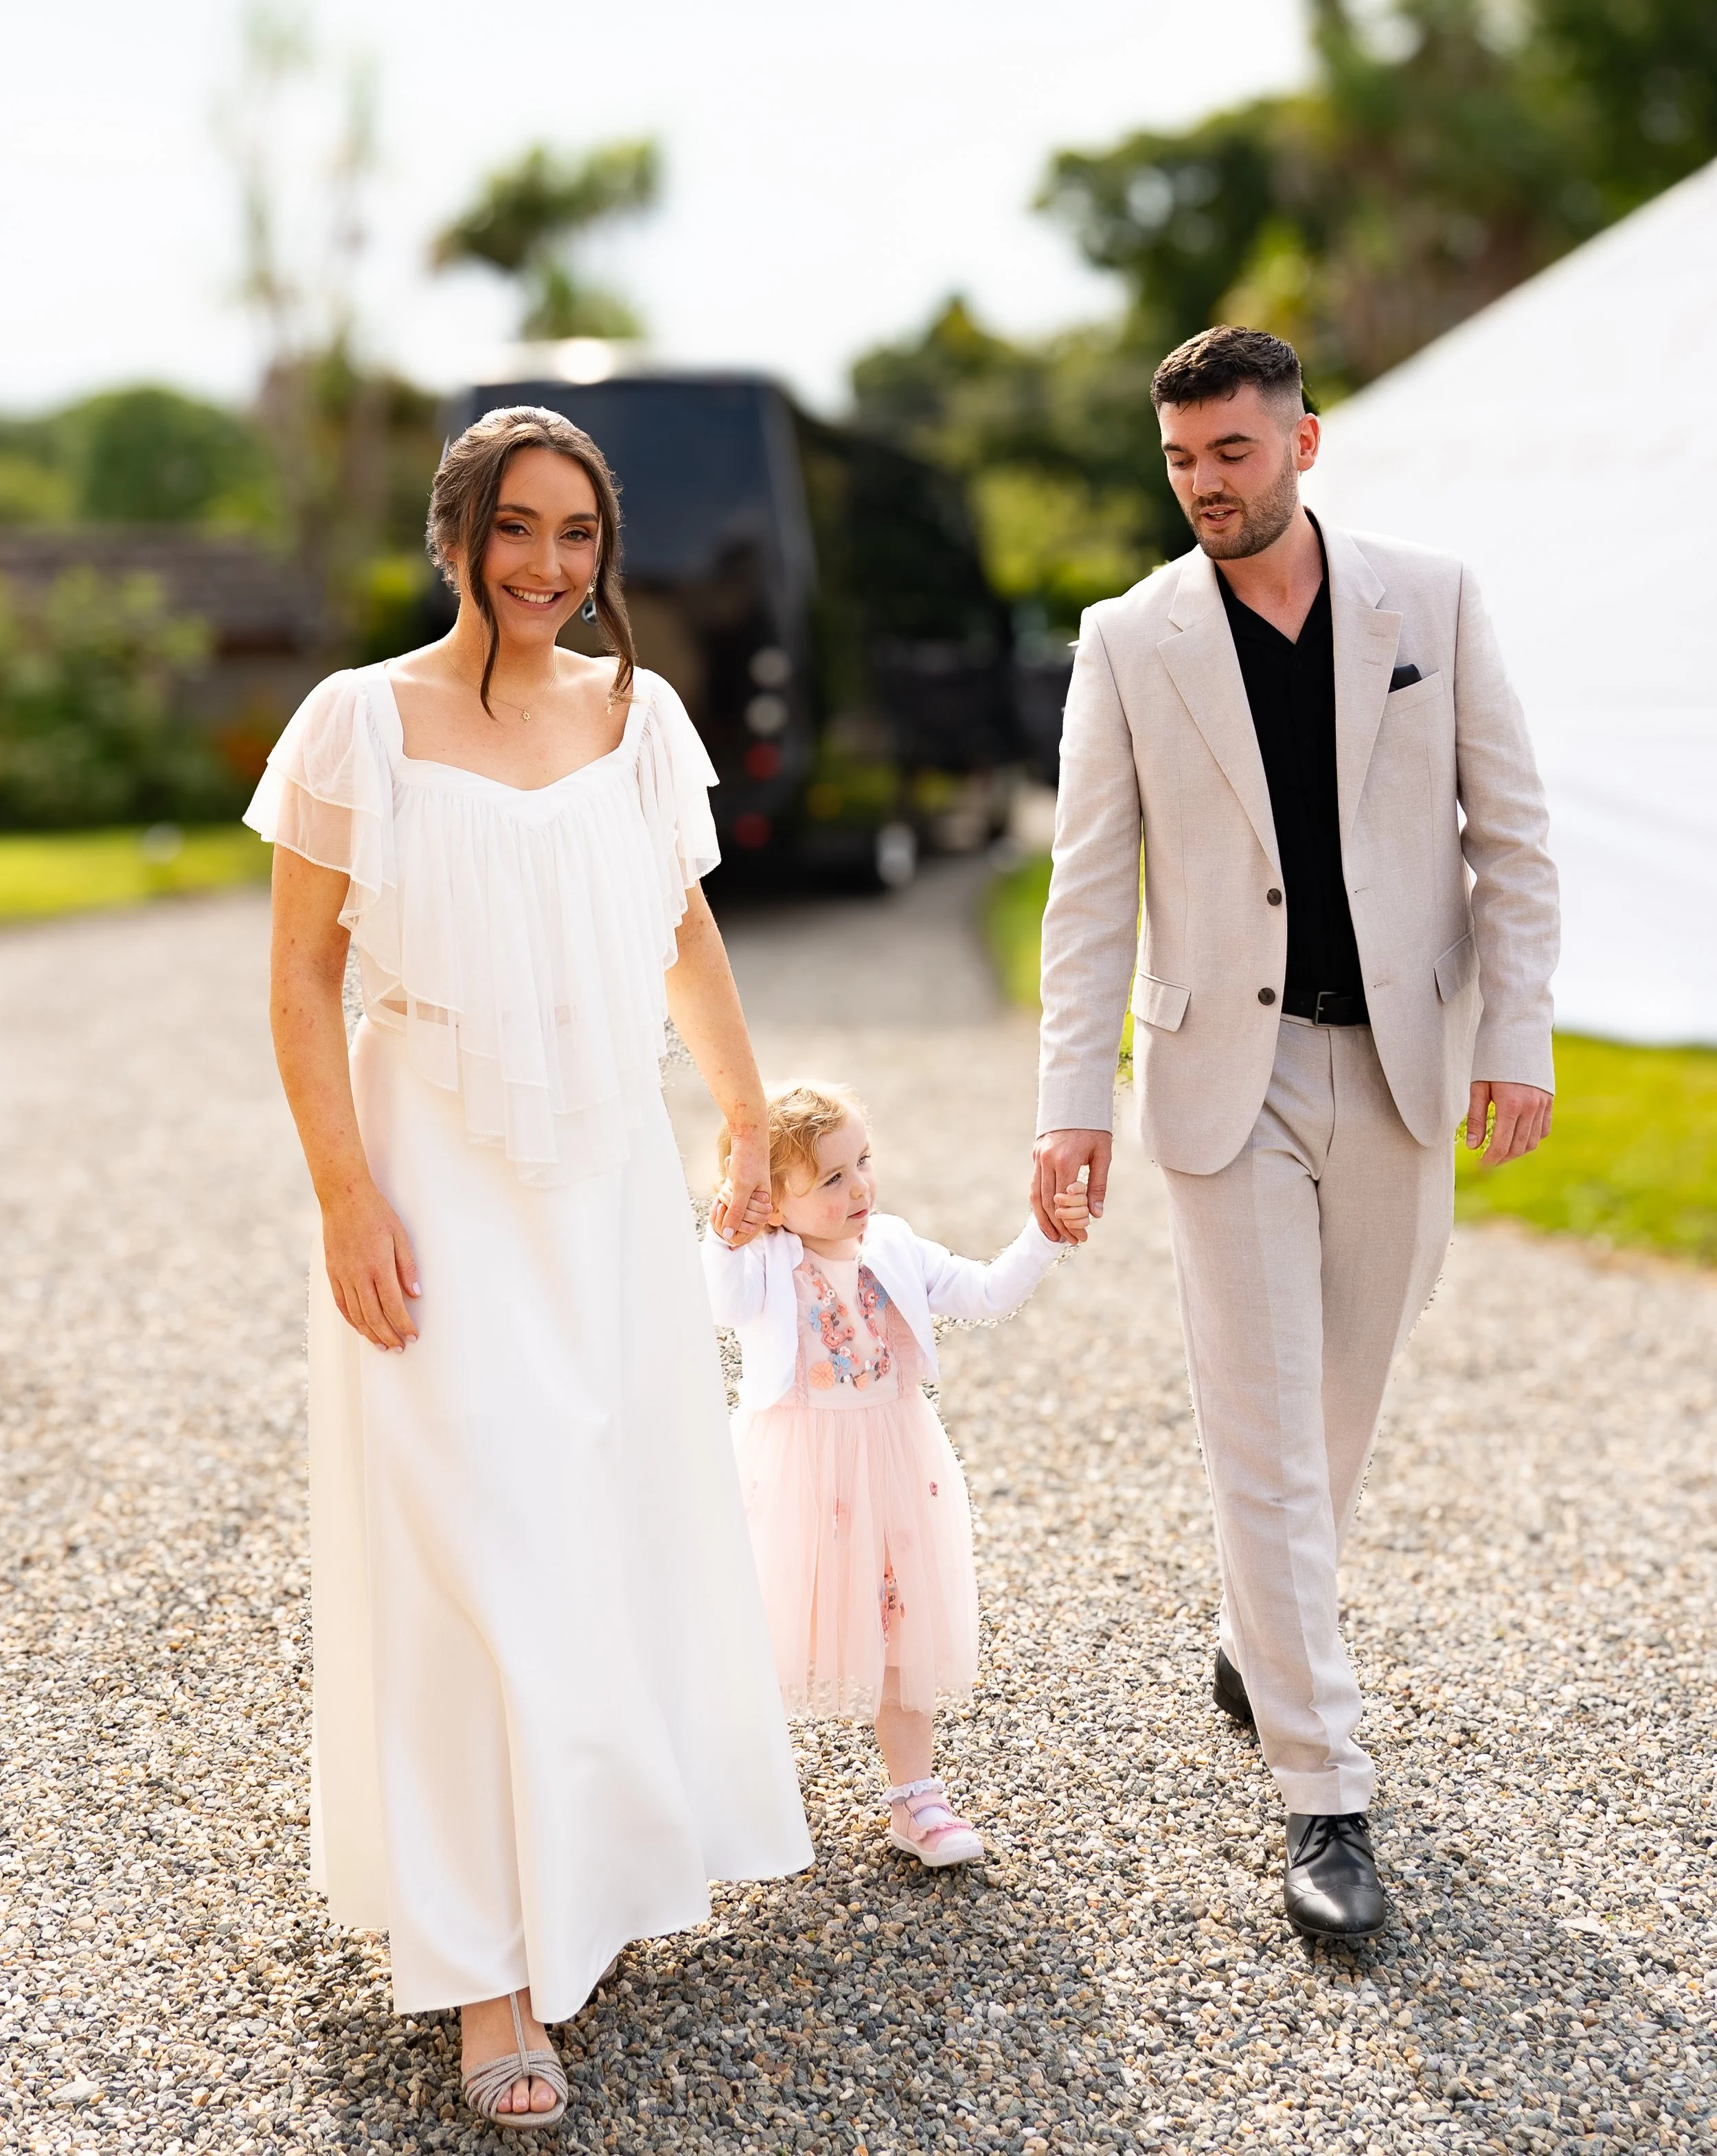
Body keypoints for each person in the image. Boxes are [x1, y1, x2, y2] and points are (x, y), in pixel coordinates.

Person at [247, 405, 811, 2131]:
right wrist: (347, 1195)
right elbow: (296, 980)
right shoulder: (360, 719)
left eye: (577, 533)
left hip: (610, 1178)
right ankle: (486, 1964)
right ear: (456, 534)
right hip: (434, 1176)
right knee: (471, 1534)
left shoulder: (641, 716)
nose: (549, 565)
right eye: (517, 529)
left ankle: (595, 1862)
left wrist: (744, 1121)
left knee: (612, 1515)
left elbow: (686, 927)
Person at [1031, 327, 1558, 1942]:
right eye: (1182, 459)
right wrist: (1071, 1106)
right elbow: (1086, 888)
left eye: (1232, 454)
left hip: (1401, 1062)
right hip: (1220, 1083)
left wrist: (1517, 1036)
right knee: (1260, 1422)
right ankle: (1324, 1793)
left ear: (1304, 443)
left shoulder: (1434, 599)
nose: (1203, 485)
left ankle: (1260, 1636)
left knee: (1342, 1400)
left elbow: (1512, 840)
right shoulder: (1128, 640)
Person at [703, 1083, 1083, 1864]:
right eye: (832, 1178)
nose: (860, 1187)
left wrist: (1041, 1234)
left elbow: (982, 1292)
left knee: (904, 1625)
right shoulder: (765, 1261)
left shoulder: (896, 1245)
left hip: (896, 1463)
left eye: (863, 1162)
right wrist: (727, 1231)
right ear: (774, 1203)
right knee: (764, 1622)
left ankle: (915, 1797)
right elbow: (720, 1296)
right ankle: (722, 1790)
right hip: (799, 1473)